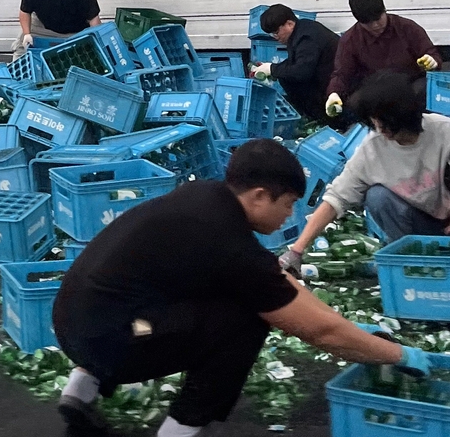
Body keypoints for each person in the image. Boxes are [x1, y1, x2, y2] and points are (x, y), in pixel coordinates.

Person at [52, 139, 435, 437]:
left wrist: (346, 326)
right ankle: (182, 427)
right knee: (246, 320)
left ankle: (80, 391)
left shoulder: (204, 198)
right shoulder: (228, 242)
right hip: (108, 340)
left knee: (225, 299)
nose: (290, 215)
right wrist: (396, 354)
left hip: (75, 319)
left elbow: (275, 280)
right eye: (288, 204)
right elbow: (315, 330)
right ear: (258, 196)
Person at [281, 73, 450, 262]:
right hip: (419, 223)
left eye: (384, 120)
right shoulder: (373, 148)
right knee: (378, 197)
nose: (379, 128)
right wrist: (297, 251)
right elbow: (336, 198)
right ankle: (409, 258)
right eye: (374, 121)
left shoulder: (443, 132)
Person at [325, 0, 440, 118]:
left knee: (425, 89)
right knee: (355, 103)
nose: (375, 25)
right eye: (367, 23)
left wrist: (432, 61)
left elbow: (431, 52)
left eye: (378, 18)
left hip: (411, 83)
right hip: (377, 89)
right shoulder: (350, 40)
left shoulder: (407, 27)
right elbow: (342, 73)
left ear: (384, 10)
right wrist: (334, 93)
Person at [250, 4, 340, 122]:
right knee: (285, 75)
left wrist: (273, 69)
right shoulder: (303, 30)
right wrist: (272, 69)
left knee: (290, 79)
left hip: (336, 85)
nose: (275, 37)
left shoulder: (306, 38)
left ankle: (325, 120)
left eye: (277, 32)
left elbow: (302, 71)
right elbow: (296, 62)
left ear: (289, 24)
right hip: (327, 78)